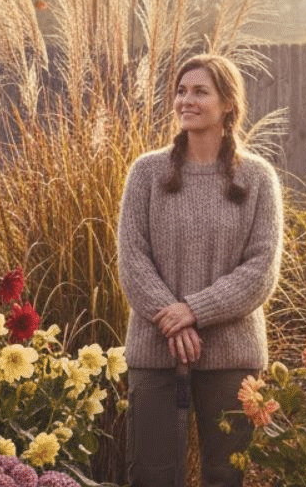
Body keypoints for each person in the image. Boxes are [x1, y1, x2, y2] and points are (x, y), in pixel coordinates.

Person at [116, 53, 284, 487]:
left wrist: (192, 311)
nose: (185, 100)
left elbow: (261, 270)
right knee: (151, 476)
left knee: (226, 476)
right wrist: (171, 320)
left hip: (232, 356)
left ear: (228, 103)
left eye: (200, 91)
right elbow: (132, 257)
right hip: (155, 350)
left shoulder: (258, 178)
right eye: (181, 90)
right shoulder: (147, 172)